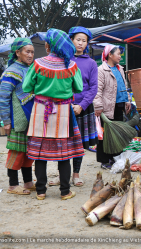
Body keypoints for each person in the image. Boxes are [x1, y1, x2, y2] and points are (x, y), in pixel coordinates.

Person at [23, 29, 84, 200]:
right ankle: (65, 191)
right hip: (63, 112)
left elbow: (27, 87)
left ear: (49, 45)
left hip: (40, 111)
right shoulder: (72, 66)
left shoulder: (38, 64)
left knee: (40, 154)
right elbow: (78, 88)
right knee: (64, 154)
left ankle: (41, 191)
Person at [0, 38, 35, 195]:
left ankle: (27, 182)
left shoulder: (30, 68)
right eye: (27, 51)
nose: (31, 55)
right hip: (17, 119)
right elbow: (2, 96)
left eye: (32, 52)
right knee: (16, 151)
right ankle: (13, 184)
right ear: (17, 53)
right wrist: (6, 121)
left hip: (29, 118)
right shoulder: (12, 71)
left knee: (28, 151)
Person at [66, 26, 98, 186]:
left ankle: (76, 174)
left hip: (82, 108)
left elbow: (93, 88)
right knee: (63, 142)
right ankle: (62, 175)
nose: (80, 43)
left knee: (78, 143)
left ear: (87, 43)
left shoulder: (91, 63)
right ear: (71, 40)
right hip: (64, 107)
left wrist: (81, 105)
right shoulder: (64, 59)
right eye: (78, 39)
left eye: (84, 41)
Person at [94, 44, 131, 169]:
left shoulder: (120, 69)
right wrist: (98, 106)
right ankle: (104, 160)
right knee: (105, 135)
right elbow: (97, 90)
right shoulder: (101, 70)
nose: (120, 56)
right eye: (118, 54)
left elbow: (124, 86)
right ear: (110, 54)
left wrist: (128, 100)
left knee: (117, 133)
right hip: (107, 107)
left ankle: (115, 158)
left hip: (119, 105)